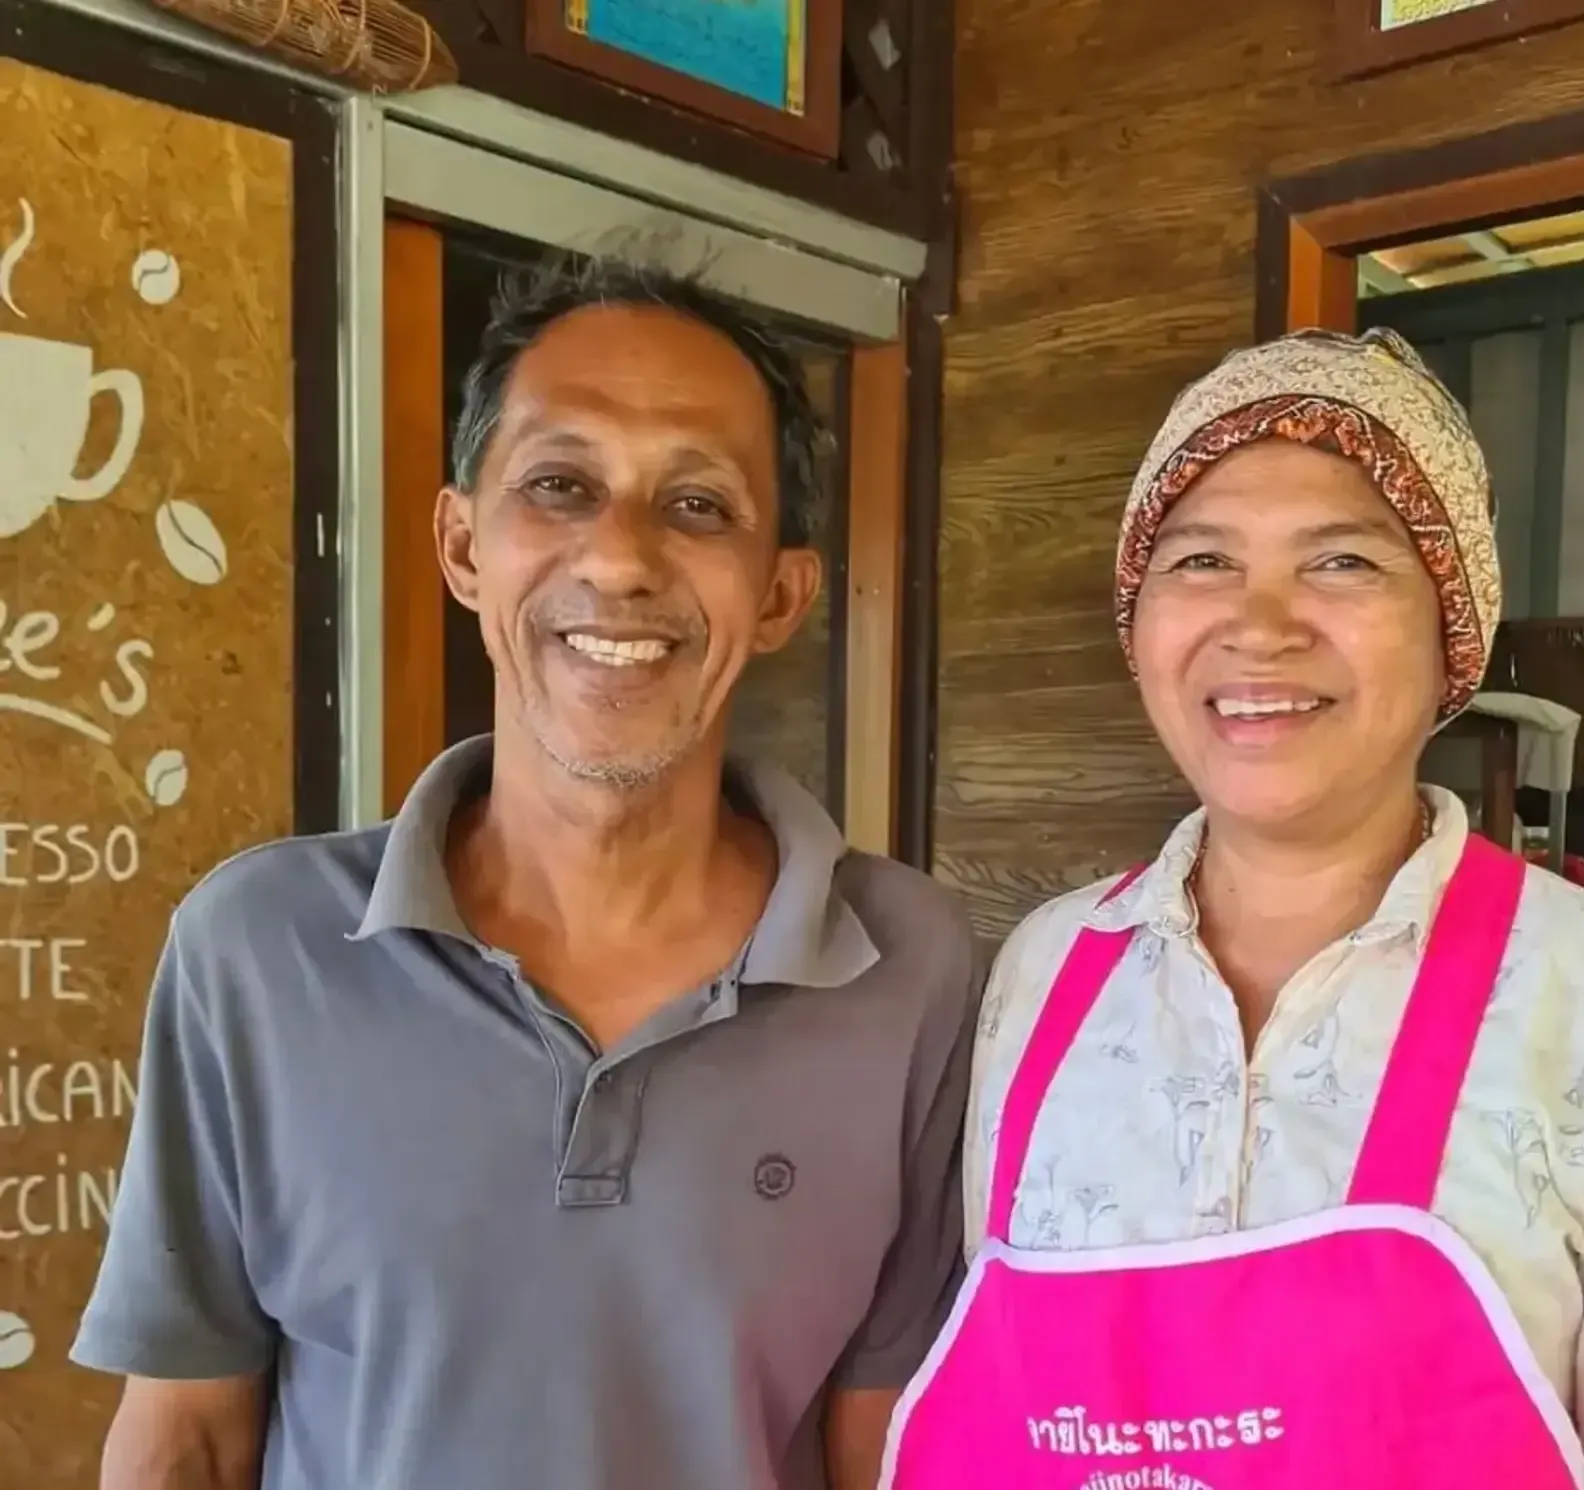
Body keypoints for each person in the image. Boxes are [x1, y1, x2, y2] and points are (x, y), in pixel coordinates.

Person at [72, 252, 979, 1490]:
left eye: (698, 503)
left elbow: (887, 1448)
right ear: (461, 546)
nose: (620, 559)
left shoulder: (910, 967)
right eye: (560, 485)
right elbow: (186, 1433)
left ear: (782, 593)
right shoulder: (257, 947)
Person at [876, 329, 1584, 1490]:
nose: (1260, 624)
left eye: (1343, 561)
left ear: (1450, 632)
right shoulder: (1044, 971)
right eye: (1200, 559)